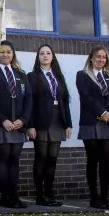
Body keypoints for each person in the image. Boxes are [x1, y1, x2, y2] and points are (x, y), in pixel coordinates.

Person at [0, 41, 31, 209]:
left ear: (13, 54)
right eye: (1, 52)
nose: (5, 55)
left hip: (18, 125)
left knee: (14, 160)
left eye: (8, 52)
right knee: (3, 159)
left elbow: (29, 99)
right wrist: (2, 119)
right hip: (1, 124)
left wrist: (23, 120)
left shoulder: (21, 74)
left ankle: (14, 196)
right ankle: (5, 196)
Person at [26, 43, 71, 207]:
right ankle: (40, 195)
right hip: (40, 123)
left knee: (53, 159)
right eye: (42, 53)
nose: (45, 56)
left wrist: (68, 124)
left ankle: (49, 193)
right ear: (38, 57)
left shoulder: (58, 76)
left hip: (57, 122)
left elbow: (65, 101)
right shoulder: (32, 76)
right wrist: (30, 125)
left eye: (48, 53)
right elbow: (29, 103)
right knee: (41, 158)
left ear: (53, 56)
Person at [76, 46, 109, 210]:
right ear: (91, 58)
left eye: (104, 57)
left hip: (106, 124)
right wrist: (101, 112)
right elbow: (85, 97)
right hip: (90, 123)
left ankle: (105, 198)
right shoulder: (83, 75)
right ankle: (94, 198)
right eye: (98, 57)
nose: (101, 59)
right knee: (93, 161)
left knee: (105, 162)